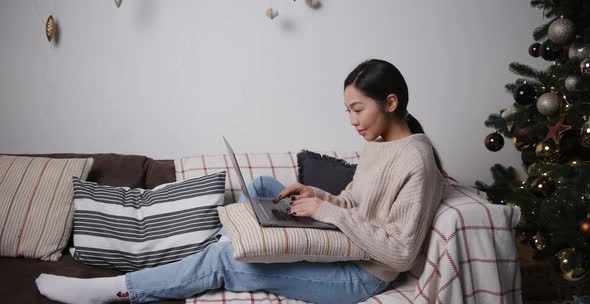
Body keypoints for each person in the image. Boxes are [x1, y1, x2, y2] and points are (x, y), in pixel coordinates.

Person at [35, 59, 447, 304]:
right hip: (343, 244)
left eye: (358, 109)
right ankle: (229, 241)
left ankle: (118, 290)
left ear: (390, 103)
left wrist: (324, 211)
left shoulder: (417, 158)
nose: (353, 121)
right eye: (348, 111)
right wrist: (316, 195)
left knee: (227, 261)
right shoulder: (379, 143)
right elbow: (356, 200)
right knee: (267, 184)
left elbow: (402, 252)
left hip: (361, 273)